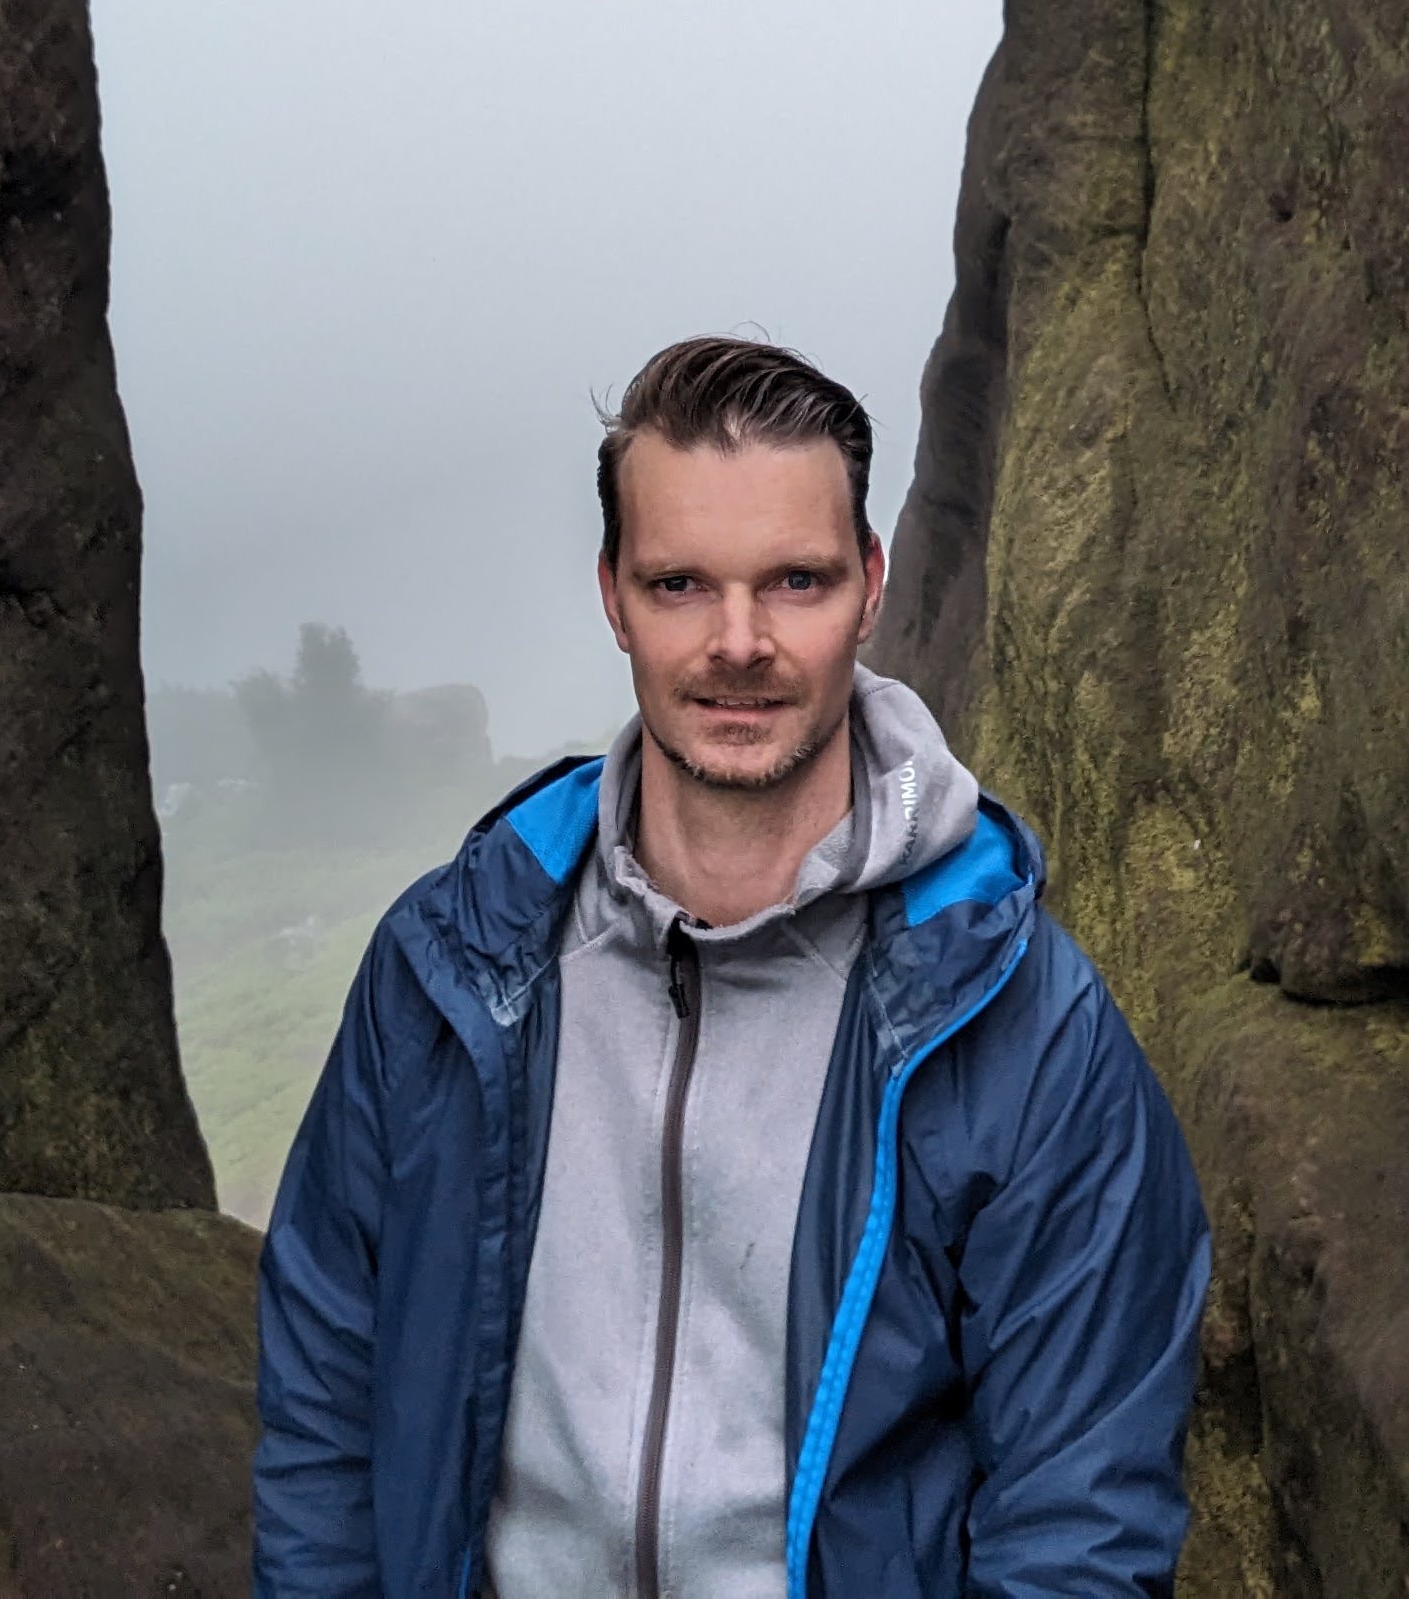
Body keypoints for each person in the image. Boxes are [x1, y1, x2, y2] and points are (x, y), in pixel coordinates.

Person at [253, 336, 1209, 1599]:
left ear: (870, 586)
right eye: (682, 584)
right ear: (612, 594)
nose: (739, 642)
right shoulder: (449, 969)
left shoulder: (1028, 1026)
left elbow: (1080, 1521)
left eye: (795, 581)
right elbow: (326, 1403)